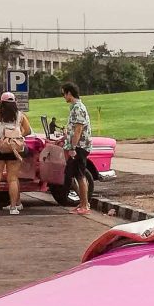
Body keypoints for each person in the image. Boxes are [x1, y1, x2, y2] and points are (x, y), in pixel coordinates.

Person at [0, 91, 31, 214]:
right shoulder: (20, 115)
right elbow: (28, 130)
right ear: (14, 102)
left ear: (1, 102)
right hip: (13, 149)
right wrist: (18, 136)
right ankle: (13, 207)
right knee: (13, 179)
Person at [60, 80, 94, 216]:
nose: (64, 97)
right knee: (73, 174)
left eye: (64, 94)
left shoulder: (78, 108)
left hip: (79, 146)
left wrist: (73, 146)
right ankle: (82, 202)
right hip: (76, 145)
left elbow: (79, 129)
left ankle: (85, 204)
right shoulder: (74, 107)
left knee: (80, 175)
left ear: (69, 93)